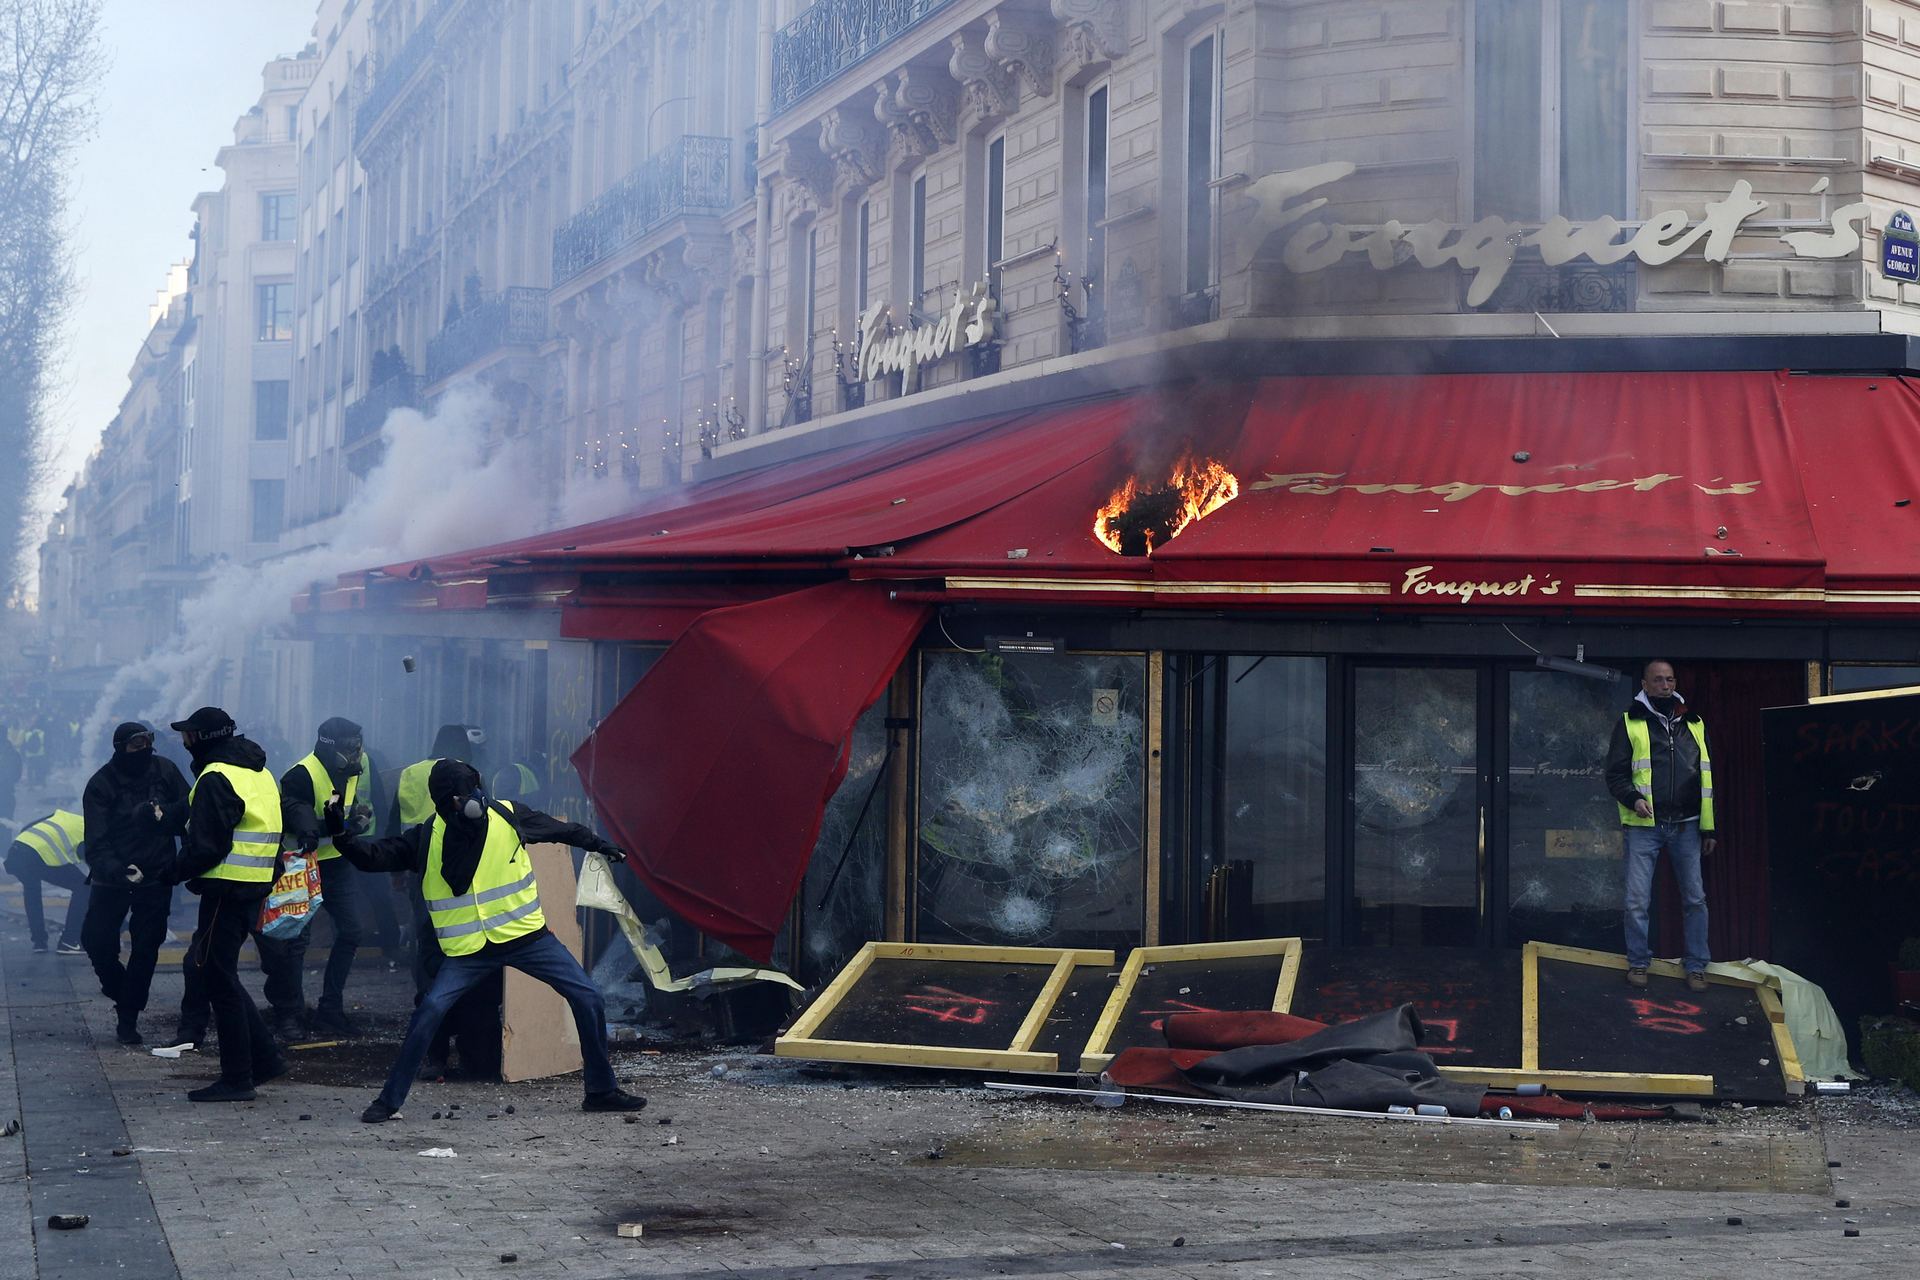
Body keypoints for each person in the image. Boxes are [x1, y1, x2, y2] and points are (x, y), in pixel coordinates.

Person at [329, 759, 648, 1122]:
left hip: (526, 938)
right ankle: (389, 1101)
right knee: (430, 1011)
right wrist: (341, 836)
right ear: (447, 801)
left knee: (587, 996)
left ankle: (601, 1091)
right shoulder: (427, 837)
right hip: (469, 953)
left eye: (472, 791)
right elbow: (373, 857)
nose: (472, 800)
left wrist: (600, 845)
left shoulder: (508, 815)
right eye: (461, 795)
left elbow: (562, 831)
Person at [168, 706, 287, 1102]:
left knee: (217, 979)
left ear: (202, 738)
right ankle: (265, 1059)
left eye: (188, 735)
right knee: (221, 974)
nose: (184, 742)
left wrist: (168, 873)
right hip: (252, 886)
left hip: (225, 888)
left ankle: (238, 1077)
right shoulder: (257, 771)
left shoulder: (216, 776)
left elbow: (207, 846)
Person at [259, 717, 377, 1037]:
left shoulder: (351, 770)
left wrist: (356, 820)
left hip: (336, 865)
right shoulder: (301, 775)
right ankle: (290, 1014)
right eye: (350, 747)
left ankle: (330, 1010)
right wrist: (337, 826)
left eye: (358, 746)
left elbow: (344, 810)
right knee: (296, 942)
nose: (356, 753)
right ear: (331, 747)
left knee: (351, 931)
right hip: (302, 866)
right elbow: (296, 822)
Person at [1605, 660, 1716, 993]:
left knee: (1695, 899)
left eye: (1669, 680)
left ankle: (1696, 966)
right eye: (1658, 680)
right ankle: (1639, 962)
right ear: (1645, 684)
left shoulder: (1694, 723)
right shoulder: (1630, 722)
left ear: (1675, 683)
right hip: (1644, 824)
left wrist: (1709, 828)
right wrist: (1634, 799)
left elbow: (1707, 779)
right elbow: (1615, 774)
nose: (1665, 686)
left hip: (1687, 824)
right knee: (1637, 900)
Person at [80, 722, 191, 1045]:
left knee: (146, 947)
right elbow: (95, 842)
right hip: (112, 878)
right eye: (135, 745)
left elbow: (188, 811)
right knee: (96, 941)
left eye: (147, 743)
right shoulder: (101, 783)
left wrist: (165, 819)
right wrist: (118, 869)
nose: (143, 750)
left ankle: (127, 1018)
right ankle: (121, 990)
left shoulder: (165, 771)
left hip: (156, 875)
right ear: (120, 748)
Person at [5, 808, 90, 954]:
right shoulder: (93, 834)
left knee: (32, 892)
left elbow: (28, 828)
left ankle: (39, 942)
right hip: (38, 856)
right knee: (84, 886)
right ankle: (70, 940)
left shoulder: (66, 817)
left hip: (17, 852)